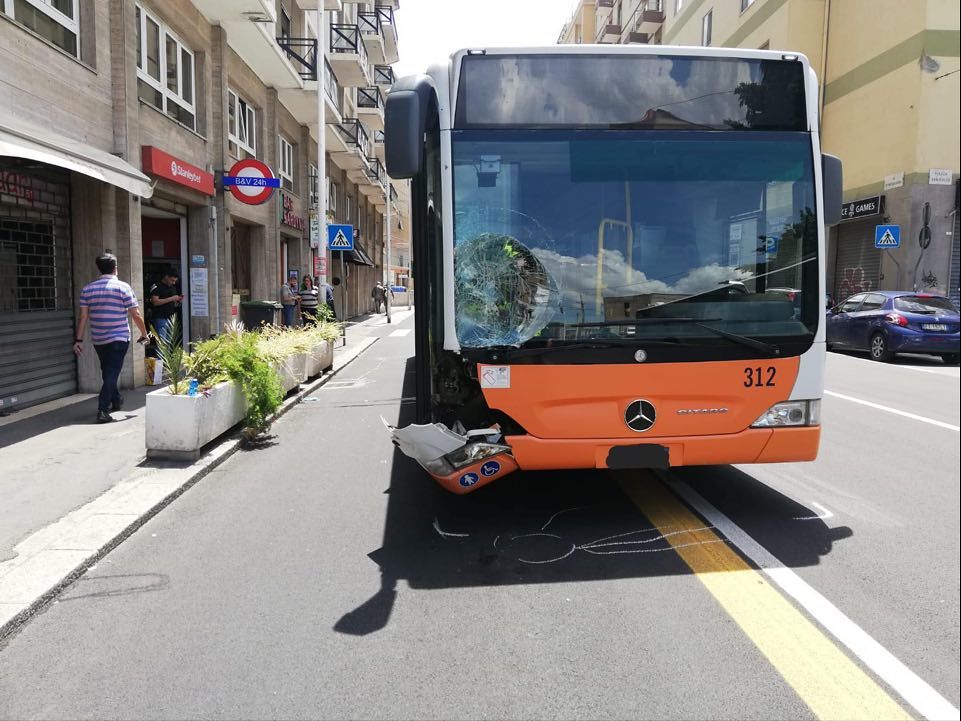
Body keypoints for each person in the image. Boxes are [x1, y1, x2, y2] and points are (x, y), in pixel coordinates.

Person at [73, 252, 150, 423]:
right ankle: (102, 409)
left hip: (99, 339)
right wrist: (144, 334)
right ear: (116, 268)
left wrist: (78, 340)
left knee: (108, 371)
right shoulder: (123, 287)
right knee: (111, 373)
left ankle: (116, 399)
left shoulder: (88, 289)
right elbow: (136, 314)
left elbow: (83, 317)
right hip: (119, 338)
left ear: (99, 268)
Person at [148, 267, 183, 344]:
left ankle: (166, 356)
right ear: (166, 277)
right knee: (162, 344)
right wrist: (172, 298)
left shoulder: (173, 288)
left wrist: (177, 300)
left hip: (171, 318)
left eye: (175, 281)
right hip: (160, 318)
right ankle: (161, 356)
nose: (173, 283)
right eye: (172, 280)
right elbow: (155, 302)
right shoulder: (157, 286)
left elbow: (171, 302)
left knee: (169, 343)